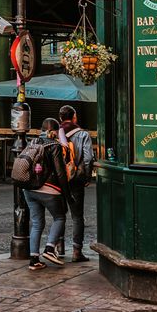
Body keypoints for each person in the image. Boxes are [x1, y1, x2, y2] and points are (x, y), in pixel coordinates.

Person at [22, 117, 70, 270]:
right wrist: (66, 193)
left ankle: (34, 260)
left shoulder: (32, 142)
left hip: (29, 189)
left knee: (37, 223)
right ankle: (49, 249)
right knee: (60, 217)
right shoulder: (54, 145)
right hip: (48, 189)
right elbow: (60, 173)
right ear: (56, 131)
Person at [58, 105, 95, 263]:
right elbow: (88, 159)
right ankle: (76, 252)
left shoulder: (55, 133)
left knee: (59, 215)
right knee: (77, 217)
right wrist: (87, 177)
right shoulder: (83, 135)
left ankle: (59, 247)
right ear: (74, 117)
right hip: (75, 179)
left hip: (58, 180)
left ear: (60, 118)